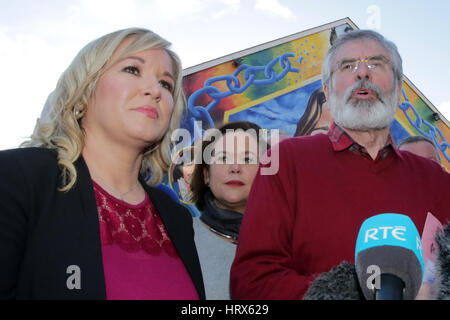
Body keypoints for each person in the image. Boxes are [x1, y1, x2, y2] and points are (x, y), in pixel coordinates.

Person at [230, 29, 450, 299]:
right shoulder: (285, 161)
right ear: (327, 90)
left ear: (399, 89)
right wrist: (342, 293)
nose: (362, 73)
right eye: (347, 66)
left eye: (376, 64)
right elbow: (252, 281)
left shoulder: (436, 179)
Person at [0, 28, 205, 299]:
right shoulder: (17, 178)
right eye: (132, 69)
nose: (155, 90)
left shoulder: (176, 218)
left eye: (166, 84)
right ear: (84, 89)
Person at [190, 121, 267, 299]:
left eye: (247, 159)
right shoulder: (179, 238)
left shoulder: (288, 246)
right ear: (206, 175)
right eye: (223, 158)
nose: (235, 168)